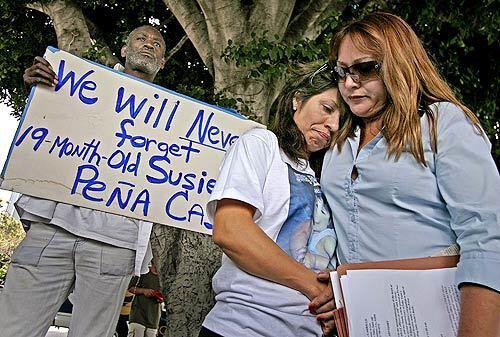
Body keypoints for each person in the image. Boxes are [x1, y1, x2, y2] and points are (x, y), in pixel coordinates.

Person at [310, 12, 500, 337]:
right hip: (360, 322)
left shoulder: (444, 123)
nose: (349, 83)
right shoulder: (339, 144)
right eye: (341, 72)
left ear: (398, 63)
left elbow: (487, 239)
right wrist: (334, 289)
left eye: (365, 68)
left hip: (440, 319)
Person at [0, 25, 166, 337]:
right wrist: (38, 91)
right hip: (53, 228)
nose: (148, 44)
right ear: (124, 51)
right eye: (140, 39)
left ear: (163, 61)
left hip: (116, 241)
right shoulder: (76, 84)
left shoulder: (177, 120)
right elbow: (49, 126)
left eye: (156, 43)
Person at [199, 63, 340, 337]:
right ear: (298, 100)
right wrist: (314, 287)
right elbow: (231, 231)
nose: (333, 125)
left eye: (341, 120)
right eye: (327, 108)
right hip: (245, 325)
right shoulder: (262, 144)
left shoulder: (325, 176)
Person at [128, 262, 164, 337]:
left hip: (154, 319)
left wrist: (161, 298)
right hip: (138, 316)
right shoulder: (143, 272)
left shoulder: (164, 278)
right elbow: (130, 288)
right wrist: (144, 291)